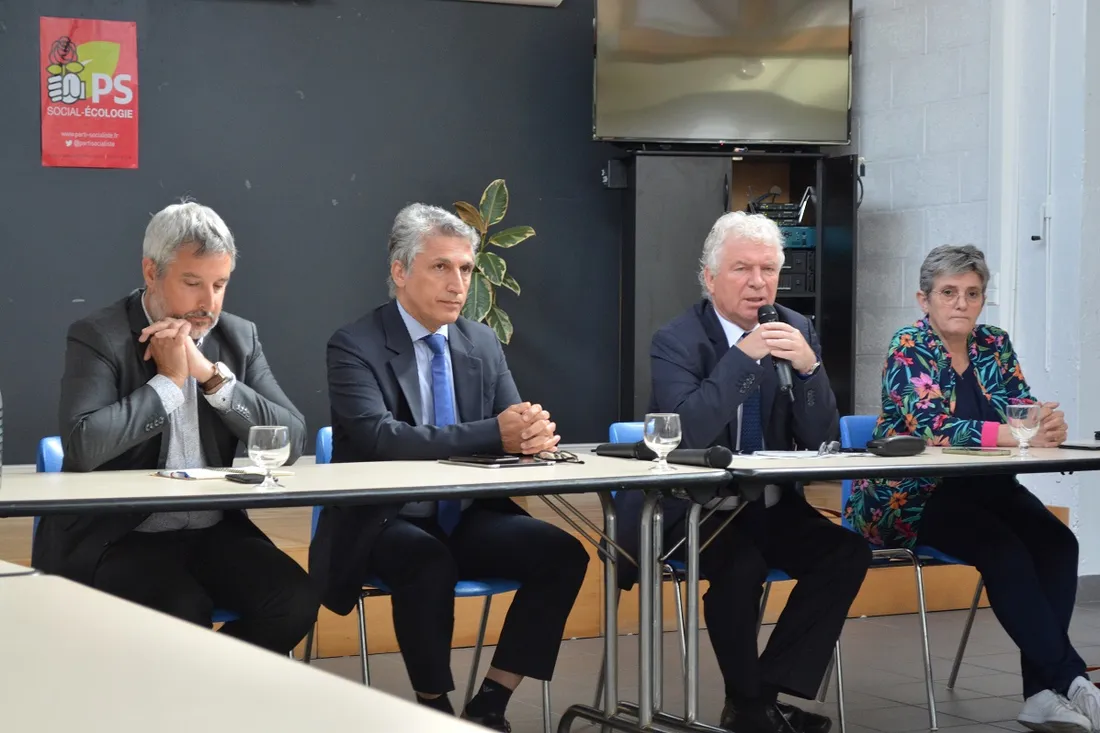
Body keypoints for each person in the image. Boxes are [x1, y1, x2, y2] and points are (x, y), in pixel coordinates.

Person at [310, 203, 589, 731]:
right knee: (426, 559)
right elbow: (379, 438)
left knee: (562, 553)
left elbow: (512, 426)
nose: (457, 283)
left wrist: (533, 435)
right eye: (441, 267)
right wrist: (497, 432)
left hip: (466, 514)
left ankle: (490, 703)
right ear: (400, 271)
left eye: (466, 269)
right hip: (384, 520)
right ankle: (434, 707)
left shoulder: (480, 341)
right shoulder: (354, 344)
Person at [618, 211, 871, 733]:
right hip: (696, 508)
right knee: (742, 567)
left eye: (768, 270)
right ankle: (754, 708)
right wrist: (743, 357)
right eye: (741, 269)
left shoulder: (797, 328)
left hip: (771, 504)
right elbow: (685, 434)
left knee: (847, 552)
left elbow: (821, 436)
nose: (759, 283)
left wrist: (810, 369)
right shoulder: (677, 340)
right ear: (710, 279)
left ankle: (758, 698)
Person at [32, 200, 318, 655]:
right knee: (181, 610)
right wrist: (168, 383)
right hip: (120, 534)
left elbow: (290, 439)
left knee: (295, 601)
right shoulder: (97, 334)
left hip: (212, 530)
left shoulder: (237, 337)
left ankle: (209, 700)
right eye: (192, 283)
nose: (209, 303)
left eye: (220, 284)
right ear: (151, 271)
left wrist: (210, 375)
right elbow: (84, 446)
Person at [847, 244, 1099, 733]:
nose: (961, 303)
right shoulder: (908, 346)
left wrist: (1045, 424)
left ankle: (1040, 695)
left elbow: (1019, 410)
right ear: (924, 299)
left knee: (1058, 544)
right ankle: (1069, 679)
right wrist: (1014, 432)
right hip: (913, 496)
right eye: (948, 292)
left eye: (972, 293)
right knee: (1004, 552)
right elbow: (929, 426)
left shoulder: (994, 343)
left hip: (986, 488)